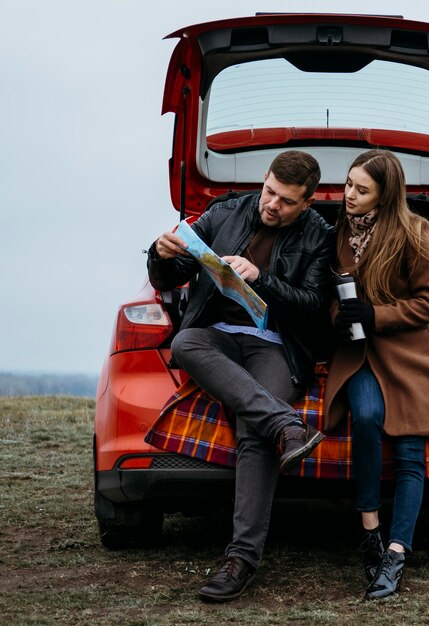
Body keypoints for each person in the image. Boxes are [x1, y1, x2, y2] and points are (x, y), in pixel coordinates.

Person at [147, 150, 334, 602]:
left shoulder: (319, 235)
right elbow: (171, 276)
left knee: (254, 431)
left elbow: (313, 306)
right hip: (217, 335)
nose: (272, 205)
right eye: (270, 191)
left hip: (276, 343)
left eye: (286, 201)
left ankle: (241, 559)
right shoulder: (224, 213)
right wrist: (161, 255)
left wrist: (262, 280)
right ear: (264, 180)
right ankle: (288, 425)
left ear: (307, 202)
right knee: (185, 343)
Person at [324, 149, 429, 599]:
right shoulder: (341, 231)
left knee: (409, 451)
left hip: (408, 355)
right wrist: (339, 315)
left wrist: (376, 314)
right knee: (363, 417)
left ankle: (396, 553)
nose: (349, 196)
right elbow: (334, 294)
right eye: (348, 185)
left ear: (385, 195)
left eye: (361, 190)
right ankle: (370, 535)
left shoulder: (416, 232)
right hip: (359, 353)